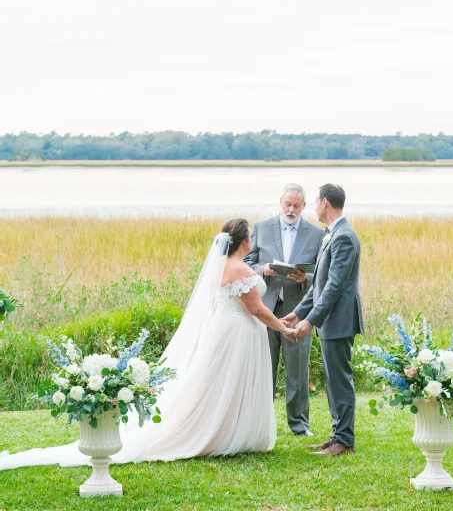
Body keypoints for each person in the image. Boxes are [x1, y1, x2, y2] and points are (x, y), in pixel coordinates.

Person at [0, 219, 297, 470]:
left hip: (222, 329)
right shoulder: (240, 269)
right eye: (250, 239)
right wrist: (282, 326)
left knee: (216, 383)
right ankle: (227, 434)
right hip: (238, 333)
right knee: (232, 382)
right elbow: (256, 309)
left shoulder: (219, 264)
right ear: (243, 242)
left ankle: (225, 430)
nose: (252, 243)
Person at [283, 184, 363, 456]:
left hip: (339, 319)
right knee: (332, 379)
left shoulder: (343, 236)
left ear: (326, 203)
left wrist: (311, 321)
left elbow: (335, 286)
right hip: (331, 319)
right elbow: (319, 284)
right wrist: (299, 312)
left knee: (339, 380)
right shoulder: (333, 234)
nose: (315, 206)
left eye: (316, 201)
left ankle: (345, 441)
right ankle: (337, 435)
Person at [245, 183, 323, 436]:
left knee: (298, 370)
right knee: (263, 367)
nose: (291, 209)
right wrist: (262, 270)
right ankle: (260, 424)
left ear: (304, 206)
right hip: (265, 308)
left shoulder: (316, 233)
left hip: (298, 310)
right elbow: (247, 262)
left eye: (296, 206)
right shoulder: (260, 228)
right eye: (287, 204)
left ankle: (299, 425)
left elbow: (322, 274)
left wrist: (305, 280)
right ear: (280, 201)